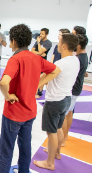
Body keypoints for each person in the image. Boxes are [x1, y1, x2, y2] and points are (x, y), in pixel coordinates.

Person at [0, 24, 57, 173]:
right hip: (30, 112)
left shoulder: (15, 59)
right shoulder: (36, 57)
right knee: (25, 149)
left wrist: (7, 96)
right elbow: (56, 70)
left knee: (6, 151)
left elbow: (4, 82)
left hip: (13, 114)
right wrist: (39, 84)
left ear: (13, 41)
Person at [33, 33, 80, 171]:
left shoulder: (61, 64)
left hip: (55, 101)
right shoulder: (75, 60)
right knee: (58, 128)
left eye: (59, 42)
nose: (57, 45)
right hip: (66, 98)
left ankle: (49, 162)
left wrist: (36, 86)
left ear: (64, 46)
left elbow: (49, 75)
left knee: (51, 132)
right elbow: (49, 73)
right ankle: (57, 152)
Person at [62, 34, 89, 146]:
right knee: (69, 113)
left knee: (64, 115)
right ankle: (65, 135)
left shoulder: (78, 59)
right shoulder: (84, 56)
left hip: (72, 89)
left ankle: (62, 139)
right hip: (77, 88)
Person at [32, 28, 52, 98]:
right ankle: (34, 90)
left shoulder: (48, 43)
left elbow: (40, 50)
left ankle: (39, 92)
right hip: (35, 61)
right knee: (34, 77)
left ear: (46, 35)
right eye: (40, 33)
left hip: (42, 63)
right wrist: (40, 53)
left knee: (41, 78)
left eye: (43, 34)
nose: (41, 35)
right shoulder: (37, 41)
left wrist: (39, 43)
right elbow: (32, 51)